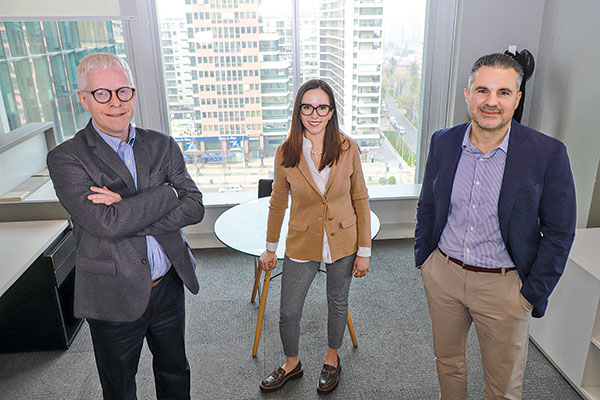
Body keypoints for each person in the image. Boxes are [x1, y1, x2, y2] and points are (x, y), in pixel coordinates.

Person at [415, 52, 576, 399]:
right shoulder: (442, 141)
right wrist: (425, 261)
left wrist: (530, 294)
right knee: (448, 362)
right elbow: (428, 205)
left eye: (503, 92)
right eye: (482, 90)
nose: (491, 102)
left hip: (505, 289)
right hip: (444, 276)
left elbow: (560, 233)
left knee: (502, 387)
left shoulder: (548, 153)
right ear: (467, 94)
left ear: (517, 99)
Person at [46, 53, 205, 400]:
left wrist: (127, 208)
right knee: (119, 386)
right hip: (112, 294)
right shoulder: (66, 157)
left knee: (175, 372)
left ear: (133, 94)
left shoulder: (161, 144)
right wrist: (167, 193)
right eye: (102, 93)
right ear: (84, 99)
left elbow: (194, 206)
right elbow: (106, 223)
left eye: (123, 92)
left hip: (167, 286)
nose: (115, 103)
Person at [258, 79, 371, 394]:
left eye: (322, 107)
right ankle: (291, 364)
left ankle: (332, 359)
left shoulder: (348, 148)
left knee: (337, 302)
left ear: (332, 111)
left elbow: (360, 199)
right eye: (307, 107)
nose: (314, 114)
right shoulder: (287, 151)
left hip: (343, 240)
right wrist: (269, 248)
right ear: (298, 111)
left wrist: (365, 251)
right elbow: (278, 202)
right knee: (289, 310)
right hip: (302, 240)